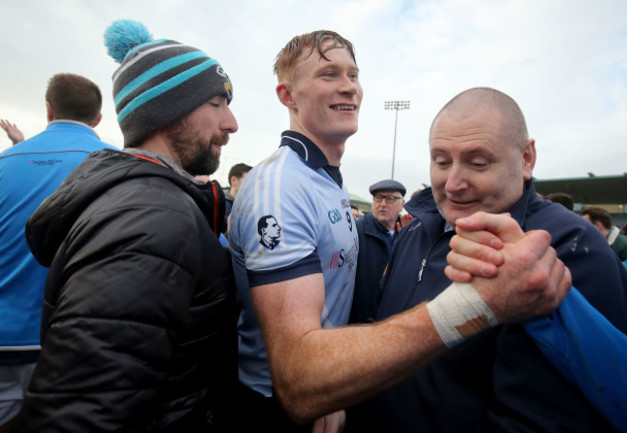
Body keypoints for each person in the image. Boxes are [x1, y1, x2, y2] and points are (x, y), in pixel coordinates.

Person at [228, 35, 571, 432]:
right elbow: (297, 374)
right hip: (278, 405)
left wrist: (337, 388)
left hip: (332, 391)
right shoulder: (282, 185)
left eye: (353, 75)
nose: (349, 86)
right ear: (288, 95)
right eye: (328, 74)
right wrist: (474, 305)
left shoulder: (325, 179)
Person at [357, 87, 627, 432]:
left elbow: (550, 419)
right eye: (441, 161)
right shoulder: (415, 230)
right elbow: (379, 326)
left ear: (526, 159)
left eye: (479, 163)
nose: (453, 183)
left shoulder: (571, 248)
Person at [15, 19, 239, 432]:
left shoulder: (151, 202)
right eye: (216, 104)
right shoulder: (152, 217)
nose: (231, 123)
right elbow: (82, 413)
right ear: (166, 111)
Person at [446, 212, 627, 433]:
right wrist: (530, 267)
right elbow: (621, 288)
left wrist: (536, 282)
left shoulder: (582, 237)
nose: (455, 185)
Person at [0, 73, 117, 430]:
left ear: (49, 109)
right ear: (98, 118)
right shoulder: (117, 166)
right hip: (76, 343)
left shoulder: (4, 163)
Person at [349, 179, 405, 324]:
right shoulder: (355, 232)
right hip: (360, 324)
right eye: (378, 198)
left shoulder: (409, 234)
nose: (383, 204)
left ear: (402, 204)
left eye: (390, 199)